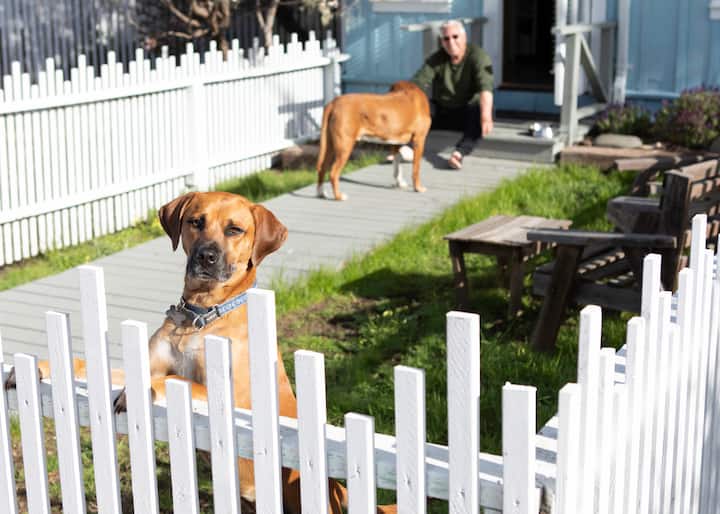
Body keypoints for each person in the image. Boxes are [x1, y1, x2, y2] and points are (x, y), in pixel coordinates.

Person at [402, 19, 495, 170]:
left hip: (467, 111)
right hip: (443, 111)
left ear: (464, 37)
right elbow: (417, 83)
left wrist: (486, 117)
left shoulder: (478, 56)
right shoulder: (437, 58)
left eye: (455, 36)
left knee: (480, 111)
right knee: (422, 106)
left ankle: (459, 153)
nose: (451, 42)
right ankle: (407, 147)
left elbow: (485, 88)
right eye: (446, 38)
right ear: (442, 42)